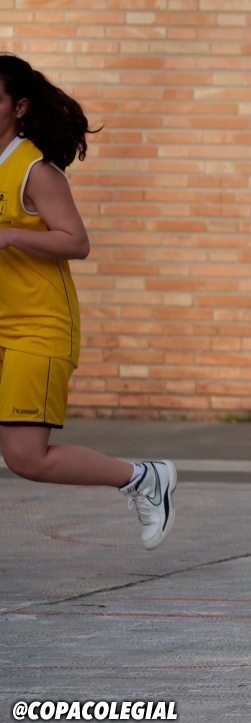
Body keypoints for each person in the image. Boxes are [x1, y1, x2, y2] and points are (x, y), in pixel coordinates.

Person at [0, 54, 177, 550]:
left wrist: (11, 235)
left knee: (26, 458)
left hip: (36, 327)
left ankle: (142, 478)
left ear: (19, 107)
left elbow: (76, 242)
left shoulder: (34, 169)